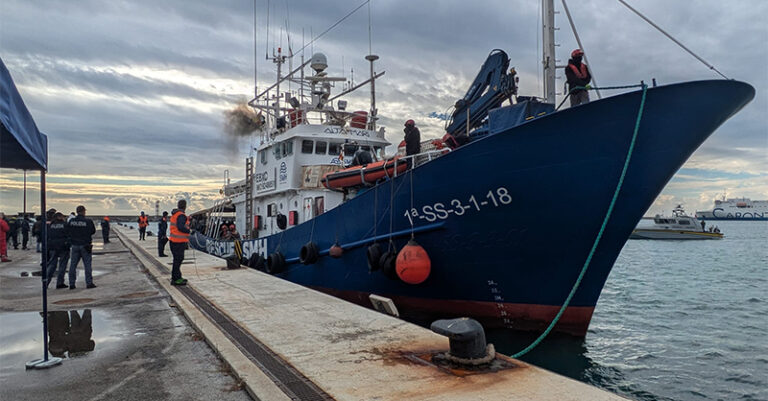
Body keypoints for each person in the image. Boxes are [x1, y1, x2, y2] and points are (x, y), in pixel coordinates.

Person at [67, 205, 96, 289]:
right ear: (83, 211)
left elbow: (67, 231)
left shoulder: (72, 221)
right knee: (87, 265)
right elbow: (92, 231)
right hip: (85, 245)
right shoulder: (88, 221)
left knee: (73, 265)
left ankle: (71, 283)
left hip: (75, 245)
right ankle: (89, 283)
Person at [46, 212, 71, 289]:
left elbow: (47, 235)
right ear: (60, 217)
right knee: (62, 265)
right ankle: (60, 282)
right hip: (63, 246)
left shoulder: (50, 225)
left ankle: (46, 282)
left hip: (52, 246)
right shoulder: (65, 225)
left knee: (52, 265)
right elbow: (69, 235)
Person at [168, 200, 190, 286]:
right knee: (178, 260)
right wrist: (189, 231)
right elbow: (180, 227)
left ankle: (178, 276)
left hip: (173, 241)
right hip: (178, 242)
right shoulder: (181, 215)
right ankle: (175, 279)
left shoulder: (175, 214)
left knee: (177, 260)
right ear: (185, 206)